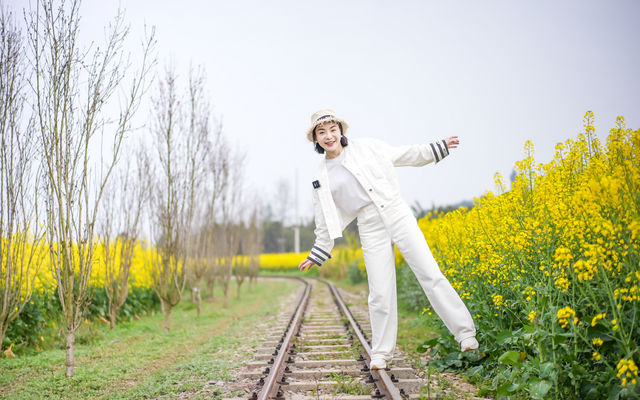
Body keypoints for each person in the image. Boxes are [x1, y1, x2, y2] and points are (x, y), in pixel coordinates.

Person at [298, 109, 478, 370]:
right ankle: (381, 353)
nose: (329, 135)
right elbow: (323, 218)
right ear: (315, 139)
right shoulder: (320, 176)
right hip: (369, 224)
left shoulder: (368, 148)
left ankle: (465, 334)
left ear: (341, 130)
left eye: (332, 129)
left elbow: (405, 154)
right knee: (380, 291)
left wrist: (437, 148)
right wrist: (317, 252)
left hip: (396, 212)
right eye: (321, 132)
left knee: (430, 273)